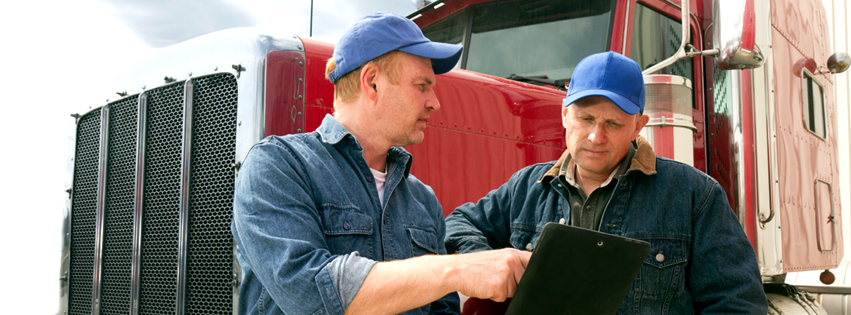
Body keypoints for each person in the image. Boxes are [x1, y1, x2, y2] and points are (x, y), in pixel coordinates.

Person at [231, 12, 531, 315]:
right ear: (372, 82)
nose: (434, 102)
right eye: (422, 85)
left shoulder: (423, 201)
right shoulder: (278, 167)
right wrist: (457, 269)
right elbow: (310, 293)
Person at [444, 51, 768, 313]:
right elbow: (455, 224)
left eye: (613, 123)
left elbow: (738, 305)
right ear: (564, 115)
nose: (596, 136)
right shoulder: (526, 188)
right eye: (586, 119)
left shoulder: (695, 196)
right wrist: (488, 263)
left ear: (639, 125)